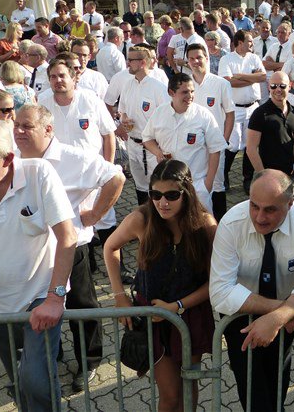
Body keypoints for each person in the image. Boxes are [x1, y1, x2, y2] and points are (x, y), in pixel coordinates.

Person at [0, 118, 76, 410]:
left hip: (39, 298)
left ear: (8, 158)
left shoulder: (38, 173)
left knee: (36, 378)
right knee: (19, 378)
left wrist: (55, 298)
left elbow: (67, 237)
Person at [15, 104, 125, 391]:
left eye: (27, 126)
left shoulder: (74, 157)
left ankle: (89, 361)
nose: (19, 131)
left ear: (48, 129)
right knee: (38, 305)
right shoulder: (13, 158)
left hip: (71, 247)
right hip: (32, 251)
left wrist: (95, 215)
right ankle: (52, 355)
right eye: (16, 125)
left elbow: (116, 177)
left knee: (82, 307)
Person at [210, 170, 294, 412]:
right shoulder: (231, 223)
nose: (259, 217)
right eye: (254, 206)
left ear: (290, 204)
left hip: (287, 311)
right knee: (254, 393)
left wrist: (278, 318)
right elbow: (220, 292)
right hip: (239, 312)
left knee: (277, 382)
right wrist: (281, 312)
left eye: (270, 210)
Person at [105, 159, 216, 412]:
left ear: (186, 193)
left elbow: (215, 283)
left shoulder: (205, 225)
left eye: (171, 195)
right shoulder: (141, 219)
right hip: (152, 319)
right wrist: (120, 296)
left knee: (189, 385)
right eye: (155, 194)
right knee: (170, 394)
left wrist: (176, 306)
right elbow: (110, 247)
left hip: (189, 315)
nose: (162, 202)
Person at [142, 73, 227, 210]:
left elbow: (215, 150)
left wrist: (208, 184)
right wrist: (158, 152)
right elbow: (147, 138)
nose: (190, 96)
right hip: (167, 188)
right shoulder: (159, 113)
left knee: (200, 222)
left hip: (196, 186)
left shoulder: (203, 115)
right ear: (171, 92)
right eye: (185, 92)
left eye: (192, 91)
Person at [187, 43, 235, 221]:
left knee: (217, 185)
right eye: (191, 58)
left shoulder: (221, 83)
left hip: (215, 146)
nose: (195, 61)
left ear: (207, 58)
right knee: (194, 186)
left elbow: (230, 114)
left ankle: (220, 225)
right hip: (191, 146)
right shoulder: (186, 84)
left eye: (199, 57)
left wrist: (224, 141)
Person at [117, 46, 169, 205]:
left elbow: (167, 118)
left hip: (152, 149)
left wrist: (159, 147)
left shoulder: (158, 88)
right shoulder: (128, 85)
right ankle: (144, 216)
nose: (127, 63)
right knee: (139, 186)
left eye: (131, 60)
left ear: (142, 63)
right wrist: (124, 120)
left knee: (156, 186)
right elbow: (122, 111)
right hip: (132, 144)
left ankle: (158, 216)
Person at [38, 57, 116, 162]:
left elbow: (108, 135)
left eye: (62, 76)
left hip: (90, 168)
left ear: (73, 79)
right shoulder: (42, 105)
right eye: (53, 77)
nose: (58, 80)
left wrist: (108, 167)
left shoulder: (92, 101)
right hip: (57, 168)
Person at [218, 30, 267, 193]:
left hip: (253, 108)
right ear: (240, 42)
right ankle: (224, 175)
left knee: (250, 145)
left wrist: (240, 76)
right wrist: (251, 78)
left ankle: (248, 178)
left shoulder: (254, 58)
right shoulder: (227, 59)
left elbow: (262, 77)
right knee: (232, 145)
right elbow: (228, 82)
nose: (252, 43)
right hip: (235, 109)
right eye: (249, 41)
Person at [247, 70, 294, 179]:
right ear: (268, 87)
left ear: (289, 86)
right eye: (273, 86)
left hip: (291, 174)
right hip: (270, 176)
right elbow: (251, 149)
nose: (278, 89)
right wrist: (263, 175)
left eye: (282, 86)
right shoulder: (260, 114)